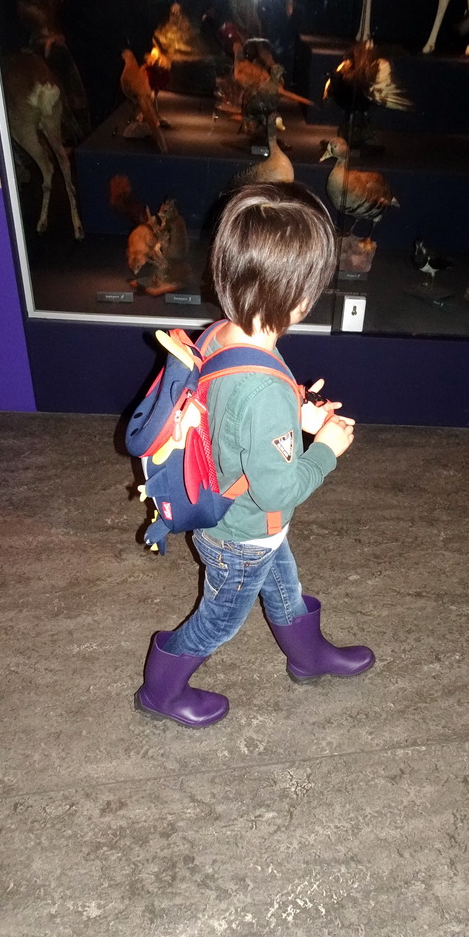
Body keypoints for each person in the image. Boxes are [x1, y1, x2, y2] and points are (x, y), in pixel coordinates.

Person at [134, 181, 375, 729]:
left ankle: (308, 657)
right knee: (218, 620)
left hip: (238, 516)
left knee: (285, 589)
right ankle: (160, 691)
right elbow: (279, 489)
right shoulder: (265, 385)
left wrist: (300, 417)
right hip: (242, 532)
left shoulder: (221, 335)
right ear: (300, 298)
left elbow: (231, 415)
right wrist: (326, 449)